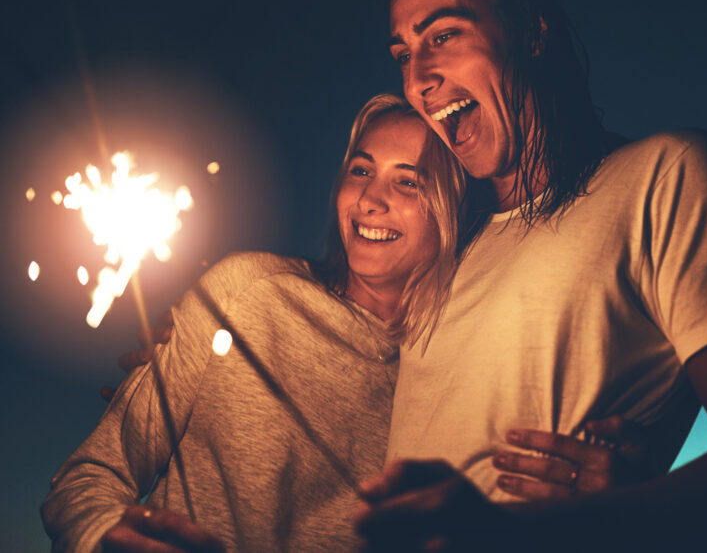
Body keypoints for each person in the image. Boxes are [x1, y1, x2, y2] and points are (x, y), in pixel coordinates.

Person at [356, 0, 707, 552]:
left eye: (443, 35)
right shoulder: (453, 246)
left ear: (532, 29)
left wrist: (578, 525)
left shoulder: (667, 177)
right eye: (402, 54)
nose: (418, 77)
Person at [42, 95, 609, 552]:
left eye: (408, 182)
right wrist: (104, 536)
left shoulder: (459, 371)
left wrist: (604, 491)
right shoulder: (244, 293)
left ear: (456, 209)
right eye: (361, 170)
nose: (369, 199)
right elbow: (87, 477)